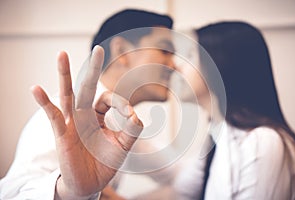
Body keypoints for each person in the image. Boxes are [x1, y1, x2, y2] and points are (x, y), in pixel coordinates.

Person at [0, 9, 176, 199]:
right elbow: (9, 193)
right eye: (165, 51)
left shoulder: (123, 123)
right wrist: (66, 191)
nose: (175, 65)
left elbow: (180, 175)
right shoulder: (66, 117)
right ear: (122, 51)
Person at [174, 21, 295, 199]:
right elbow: (181, 189)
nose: (178, 66)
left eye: (190, 56)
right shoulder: (220, 134)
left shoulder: (262, 141)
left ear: (218, 65)